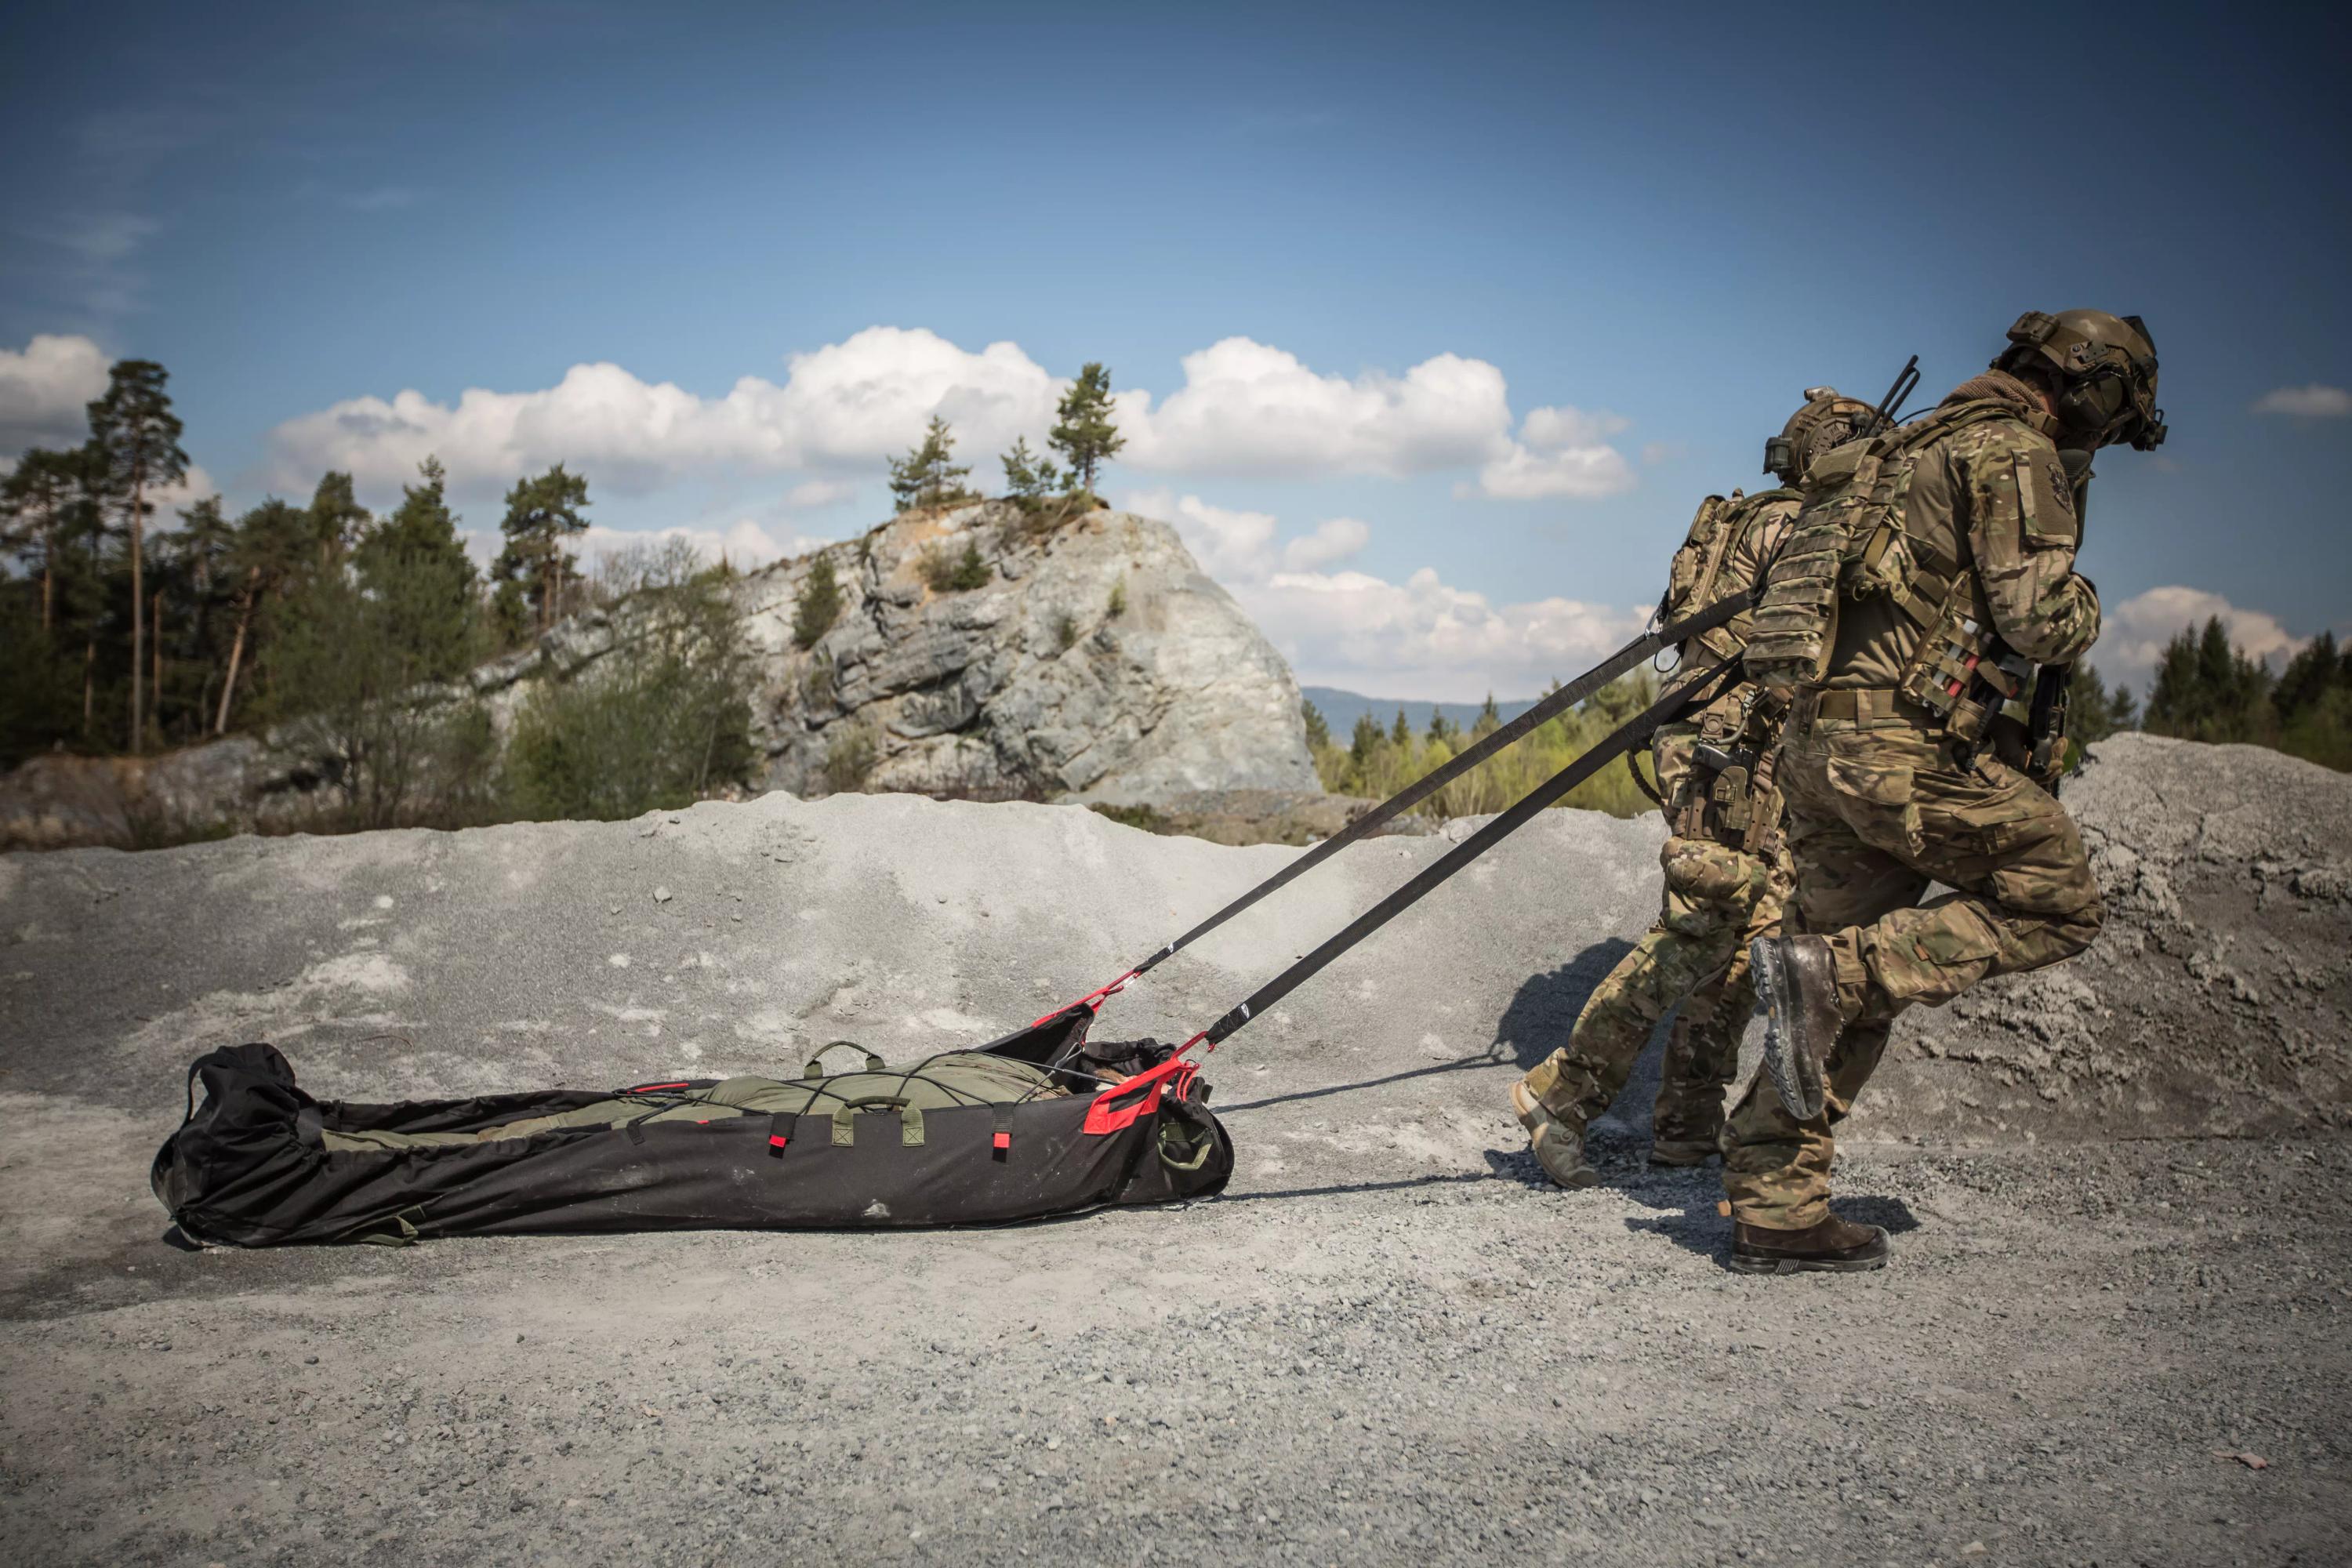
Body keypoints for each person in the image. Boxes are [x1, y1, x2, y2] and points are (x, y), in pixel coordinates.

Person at [1730, 310, 2165, 1274]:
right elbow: (2041, 617)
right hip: (1900, 746)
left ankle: (1775, 1198)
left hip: (1819, 744)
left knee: (1841, 971)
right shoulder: (2012, 452)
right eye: (2120, 408)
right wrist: (2085, 594)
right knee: (2059, 899)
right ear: (2090, 388)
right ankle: (1831, 976)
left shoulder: (1901, 447)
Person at [1511, 390, 1877, 1188]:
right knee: (1704, 930)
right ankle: (1561, 1094)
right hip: (1739, 754)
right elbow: (1803, 653)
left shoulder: (1746, 518)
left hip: (1723, 746)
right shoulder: (1803, 530)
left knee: (1751, 938)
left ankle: (1685, 1126)